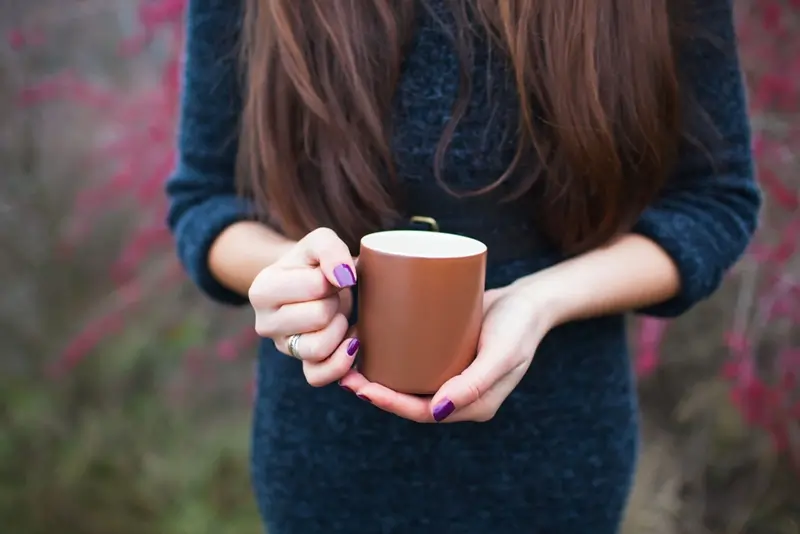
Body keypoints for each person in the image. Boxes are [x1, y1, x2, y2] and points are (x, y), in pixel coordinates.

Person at [165, 0, 761, 532]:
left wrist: (540, 301)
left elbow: (712, 200)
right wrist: (294, 279)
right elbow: (205, 198)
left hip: (559, 451)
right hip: (325, 455)